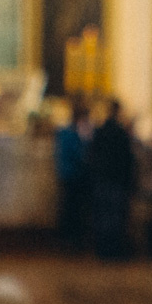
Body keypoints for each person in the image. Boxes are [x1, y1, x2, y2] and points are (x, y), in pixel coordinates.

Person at [86, 99, 137, 258]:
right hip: (117, 182)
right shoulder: (121, 133)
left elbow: (92, 157)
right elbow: (128, 160)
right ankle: (114, 251)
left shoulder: (100, 132)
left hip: (101, 180)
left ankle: (102, 250)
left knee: (101, 217)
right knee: (115, 218)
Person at [53, 103, 91, 247]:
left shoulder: (63, 133)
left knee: (68, 206)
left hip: (65, 173)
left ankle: (67, 238)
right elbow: (79, 154)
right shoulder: (72, 133)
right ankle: (71, 238)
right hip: (74, 174)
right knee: (73, 208)